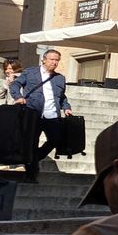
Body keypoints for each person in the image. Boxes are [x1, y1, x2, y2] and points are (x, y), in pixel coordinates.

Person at [17, 49, 74, 179]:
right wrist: (18, 97)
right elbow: (15, 84)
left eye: (57, 60)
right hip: (33, 113)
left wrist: (66, 107)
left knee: (56, 139)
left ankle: (34, 158)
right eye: (51, 59)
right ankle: (31, 172)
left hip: (52, 115)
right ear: (44, 59)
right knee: (32, 142)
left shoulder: (60, 78)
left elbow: (62, 97)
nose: (54, 62)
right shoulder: (30, 73)